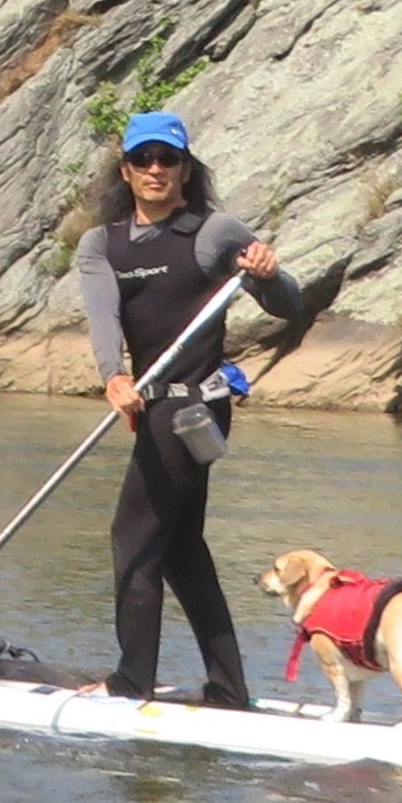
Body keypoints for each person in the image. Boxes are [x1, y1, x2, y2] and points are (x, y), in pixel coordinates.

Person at [70, 109, 305, 708]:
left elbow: (287, 306)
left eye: (167, 160)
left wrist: (270, 276)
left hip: (198, 408)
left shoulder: (214, 233)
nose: (155, 170)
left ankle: (131, 682)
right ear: (125, 170)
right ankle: (229, 689)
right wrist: (113, 376)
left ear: (184, 168)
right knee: (180, 549)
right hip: (151, 407)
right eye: (143, 160)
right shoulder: (103, 244)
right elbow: (103, 317)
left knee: (134, 536)